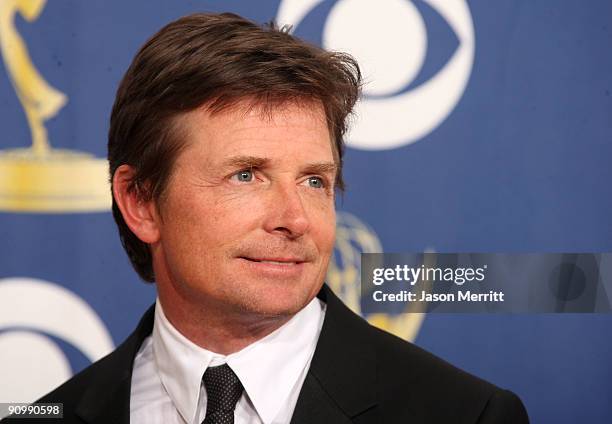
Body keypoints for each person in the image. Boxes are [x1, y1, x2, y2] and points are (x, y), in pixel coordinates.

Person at [5, 12, 529, 424]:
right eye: (247, 175)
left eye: (314, 181)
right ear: (141, 201)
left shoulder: (464, 414)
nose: (294, 219)